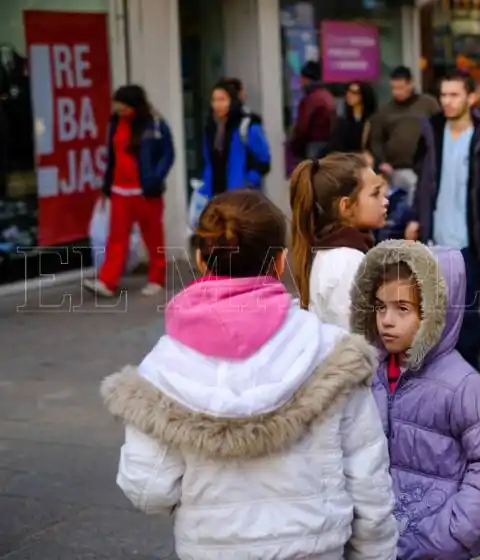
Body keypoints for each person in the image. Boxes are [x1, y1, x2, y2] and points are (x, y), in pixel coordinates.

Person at [101, 190, 398, 559]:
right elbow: (369, 481)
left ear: (200, 259)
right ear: (280, 262)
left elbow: (147, 488)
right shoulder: (329, 350)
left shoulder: (165, 366)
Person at [349, 239, 480, 560]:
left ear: (437, 313)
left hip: (435, 543)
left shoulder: (460, 384)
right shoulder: (373, 372)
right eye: (380, 307)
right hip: (379, 538)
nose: (386, 320)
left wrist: (455, 531)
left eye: (403, 309)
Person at [405, 70, 480, 370]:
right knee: (438, 303)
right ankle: (475, 340)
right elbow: (423, 180)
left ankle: (464, 366)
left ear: (471, 97)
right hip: (435, 233)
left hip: (472, 233)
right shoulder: (431, 131)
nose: (447, 101)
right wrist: (416, 217)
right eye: (443, 95)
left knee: (466, 304)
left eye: (454, 95)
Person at [84, 85, 174, 298]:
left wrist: (156, 178)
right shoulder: (115, 123)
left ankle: (157, 278)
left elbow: (168, 154)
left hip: (146, 191)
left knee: (153, 238)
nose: (119, 112)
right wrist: (106, 186)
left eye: (123, 108)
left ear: (135, 106)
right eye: (117, 108)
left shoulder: (156, 124)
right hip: (120, 191)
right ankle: (107, 281)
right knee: (116, 239)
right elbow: (112, 157)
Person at [289, 152, 388, 328]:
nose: (385, 201)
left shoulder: (335, 253)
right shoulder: (348, 262)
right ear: (346, 206)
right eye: (375, 194)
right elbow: (354, 339)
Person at [369, 66, 441, 194]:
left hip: (426, 166)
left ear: (410, 84)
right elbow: (376, 140)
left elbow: (440, 129)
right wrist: (382, 161)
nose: (397, 92)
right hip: (395, 168)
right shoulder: (386, 110)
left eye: (400, 88)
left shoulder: (428, 104)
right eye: (393, 88)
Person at [199, 80, 270, 198]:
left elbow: (263, 161)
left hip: (242, 197)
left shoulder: (247, 125)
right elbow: (208, 161)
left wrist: (248, 183)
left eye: (222, 99)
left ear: (232, 101)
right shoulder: (211, 127)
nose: (217, 104)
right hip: (216, 196)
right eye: (214, 100)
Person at [290, 61, 336, 161]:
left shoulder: (310, 100)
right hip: (330, 146)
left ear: (307, 79)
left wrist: (294, 148)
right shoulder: (328, 96)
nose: (300, 82)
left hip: (313, 146)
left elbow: (302, 128)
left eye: (302, 78)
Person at [328, 81, 377, 155]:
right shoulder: (343, 122)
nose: (349, 95)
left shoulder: (373, 121)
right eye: (348, 91)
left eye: (354, 92)